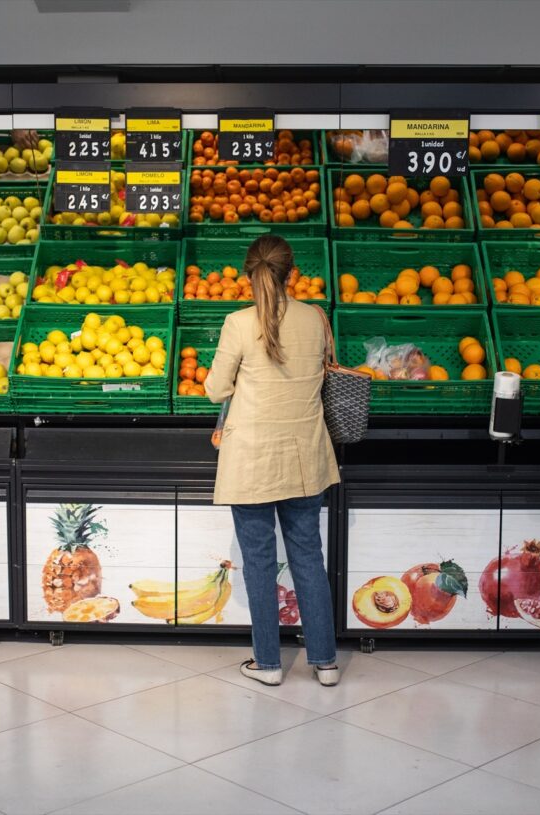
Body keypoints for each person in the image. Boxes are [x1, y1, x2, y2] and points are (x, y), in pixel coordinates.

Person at [205, 235, 341, 687]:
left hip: (252, 459)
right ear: (291, 272)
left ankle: (268, 663)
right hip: (305, 455)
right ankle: (325, 662)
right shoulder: (315, 318)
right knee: (308, 557)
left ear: (249, 274)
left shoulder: (238, 323)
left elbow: (216, 388)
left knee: (259, 561)